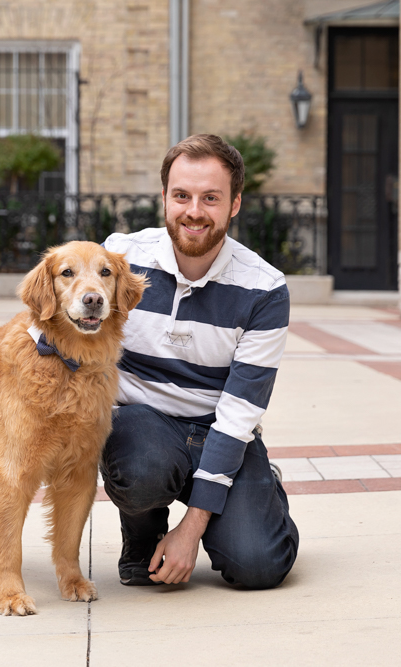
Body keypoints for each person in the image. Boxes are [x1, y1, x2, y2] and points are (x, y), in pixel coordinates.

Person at [101, 133, 299, 589]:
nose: (194, 211)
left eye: (211, 198)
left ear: (234, 204)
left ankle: (260, 486)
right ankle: (143, 537)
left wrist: (192, 529)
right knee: (141, 465)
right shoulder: (121, 257)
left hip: (219, 429)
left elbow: (239, 413)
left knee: (259, 567)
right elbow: (51, 330)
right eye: (182, 196)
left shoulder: (264, 289)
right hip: (141, 424)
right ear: (164, 199)